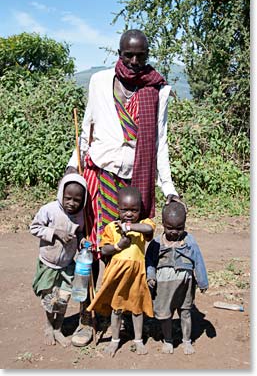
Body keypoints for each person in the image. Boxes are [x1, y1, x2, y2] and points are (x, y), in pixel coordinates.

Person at [66, 28, 186, 345]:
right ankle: (86, 318)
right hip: (98, 174)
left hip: (134, 183)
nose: (134, 61)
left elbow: (159, 144)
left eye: (141, 55)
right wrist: (71, 165)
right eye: (128, 54)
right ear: (119, 53)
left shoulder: (157, 90)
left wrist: (168, 187)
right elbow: (87, 129)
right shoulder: (100, 82)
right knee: (90, 248)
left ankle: (122, 311)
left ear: (147, 55)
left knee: (127, 248)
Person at [86, 186, 156, 357]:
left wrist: (130, 227)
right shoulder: (111, 227)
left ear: (140, 210)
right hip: (117, 275)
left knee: (137, 308)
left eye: (134, 210)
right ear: (118, 209)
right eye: (125, 210)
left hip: (136, 274)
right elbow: (104, 250)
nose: (129, 214)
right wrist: (119, 245)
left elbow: (149, 230)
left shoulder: (143, 225)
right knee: (116, 309)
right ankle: (115, 340)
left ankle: (138, 340)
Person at [30, 174, 87, 347]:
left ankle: (58, 328)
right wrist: (55, 232)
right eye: (68, 198)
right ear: (61, 193)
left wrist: (82, 240)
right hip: (48, 262)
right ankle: (48, 325)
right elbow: (34, 227)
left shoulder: (80, 215)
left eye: (77, 200)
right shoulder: (50, 209)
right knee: (49, 297)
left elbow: (79, 232)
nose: (72, 203)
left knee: (63, 298)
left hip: (67, 264)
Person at [145, 201, 208, 355]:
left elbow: (198, 260)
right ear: (163, 224)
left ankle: (187, 341)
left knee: (185, 312)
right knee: (165, 314)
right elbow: (149, 262)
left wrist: (202, 280)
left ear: (185, 224)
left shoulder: (189, 241)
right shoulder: (156, 243)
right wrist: (151, 276)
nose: (174, 232)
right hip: (163, 286)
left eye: (179, 228)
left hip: (184, 285)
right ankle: (168, 340)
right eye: (169, 228)